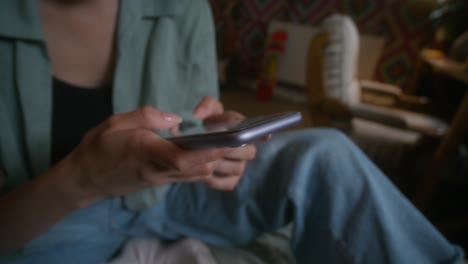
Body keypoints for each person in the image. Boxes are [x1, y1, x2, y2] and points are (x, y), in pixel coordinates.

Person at [0, 0, 464, 263]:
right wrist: (82, 179)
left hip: (173, 193)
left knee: (324, 154)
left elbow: (197, 122)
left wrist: (221, 138)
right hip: (49, 220)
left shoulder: (183, 9)